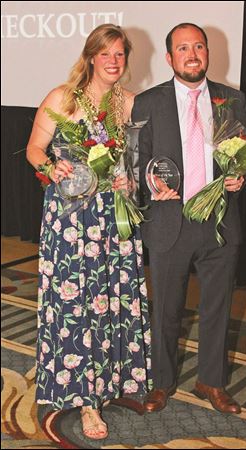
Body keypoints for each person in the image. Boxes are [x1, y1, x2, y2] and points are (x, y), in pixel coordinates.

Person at [27, 24, 152, 440]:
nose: (113, 61)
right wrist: (51, 167)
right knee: (76, 305)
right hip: (69, 220)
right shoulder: (62, 97)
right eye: (106, 53)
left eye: (120, 54)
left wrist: (128, 181)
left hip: (111, 219)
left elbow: (134, 165)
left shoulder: (131, 104)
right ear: (91, 57)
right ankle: (84, 403)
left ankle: (110, 381)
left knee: (110, 303)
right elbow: (34, 150)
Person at [132, 23, 246, 414]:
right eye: (183, 48)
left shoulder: (231, 99)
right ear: (170, 58)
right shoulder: (149, 101)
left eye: (198, 46)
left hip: (220, 222)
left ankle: (211, 382)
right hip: (170, 222)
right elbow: (138, 160)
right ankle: (162, 383)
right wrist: (150, 184)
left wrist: (241, 176)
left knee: (218, 307)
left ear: (207, 53)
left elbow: (244, 155)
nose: (192, 54)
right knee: (166, 309)